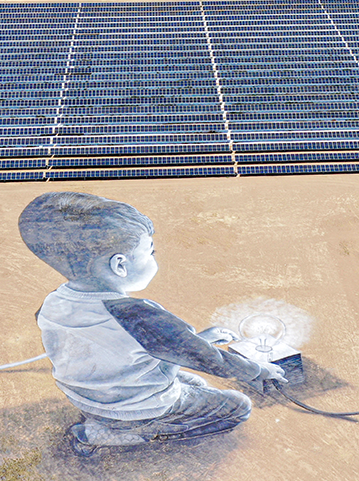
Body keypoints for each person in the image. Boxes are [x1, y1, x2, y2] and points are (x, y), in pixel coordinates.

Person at [19, 191, 287, 454]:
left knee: (196, 385)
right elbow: (206, 358)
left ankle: (110, 421)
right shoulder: (136, 314)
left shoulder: (53, 302)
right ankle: (113, 435)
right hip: (133, 407)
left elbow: (124, 346)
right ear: (120, 266)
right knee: (238, 406)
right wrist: (258, 371)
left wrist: (199, 338)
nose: (155, 257)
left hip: (87, 398)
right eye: (151, 251)